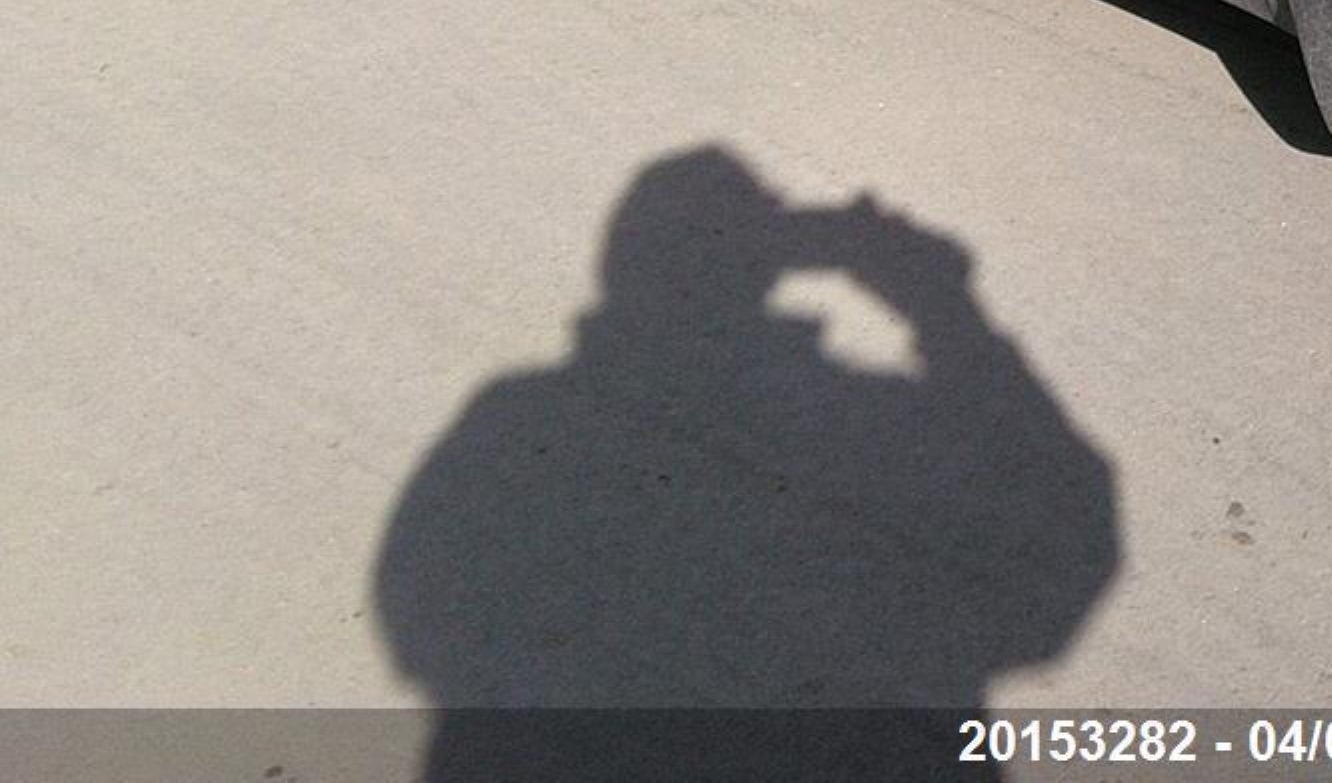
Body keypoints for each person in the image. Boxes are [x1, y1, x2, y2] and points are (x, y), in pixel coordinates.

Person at [374, 147, 1115, 780]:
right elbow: (1069, 544)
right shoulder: (848, 422)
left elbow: (416, 599)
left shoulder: (517, 413)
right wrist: (941, 304)